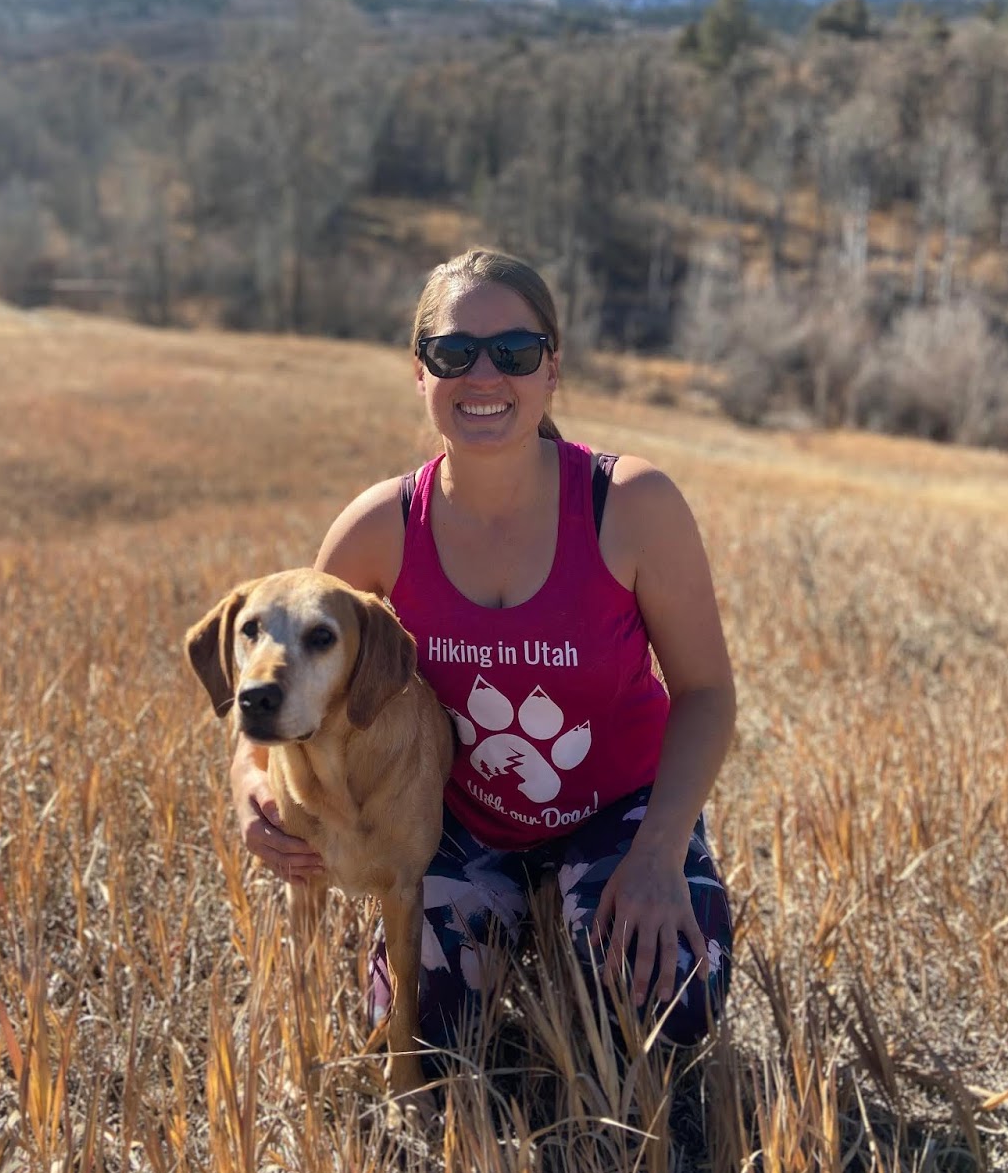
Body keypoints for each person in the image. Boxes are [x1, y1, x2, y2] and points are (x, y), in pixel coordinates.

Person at [230, 248, 735, 1055]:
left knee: (665, 1016)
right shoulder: (378, 527)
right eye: (454, 353)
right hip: (458, 826)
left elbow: (707, 693)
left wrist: (660, 850)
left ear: (552, 370)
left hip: (619, 814)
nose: (485, 375)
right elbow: (284, 666)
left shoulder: (632, 504)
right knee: (421, 1037)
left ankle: (581, 910)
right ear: (420, 372)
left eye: (515, 352)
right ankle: (516, 921)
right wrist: (249, 782)